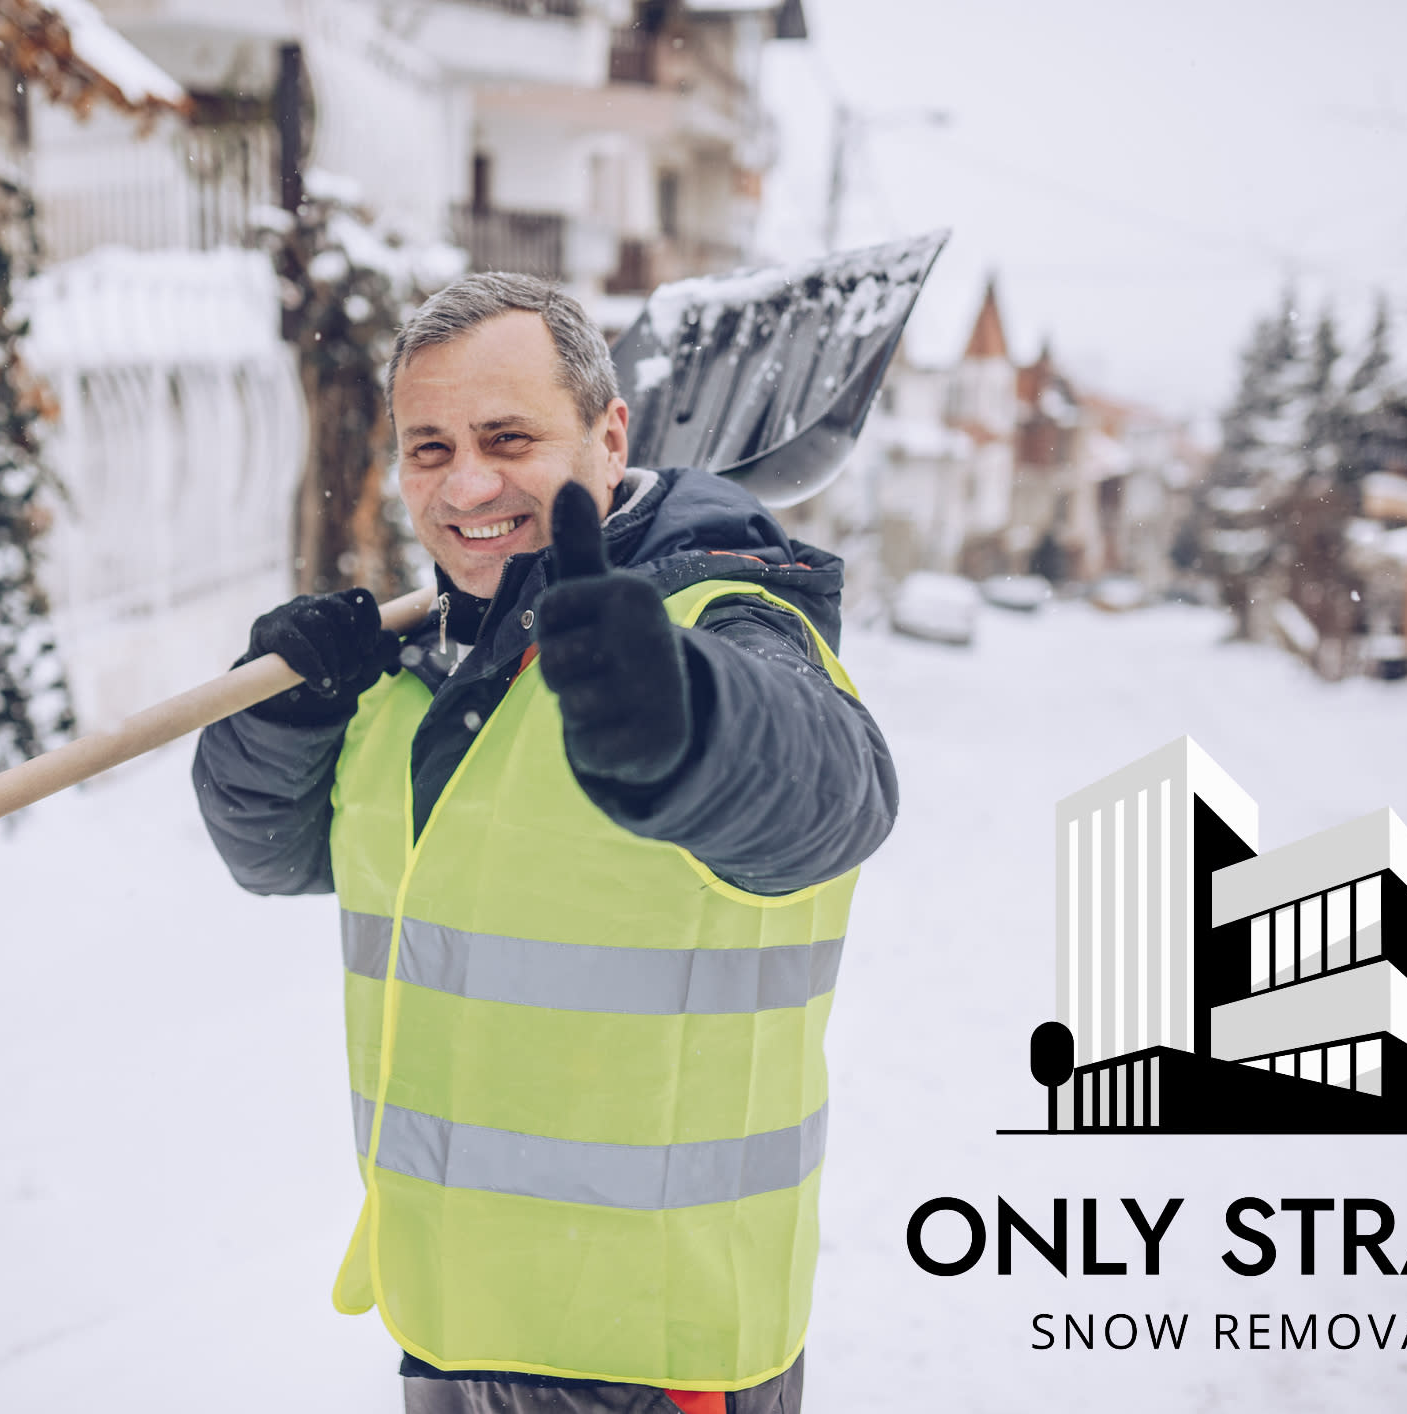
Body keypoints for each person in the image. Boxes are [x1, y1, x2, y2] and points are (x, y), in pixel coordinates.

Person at [192, 273, 897, 1414]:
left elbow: (833, 794)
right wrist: (276, 716)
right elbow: (272, 854)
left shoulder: (720, 619)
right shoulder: (422, 669)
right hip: (450, 1319)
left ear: (611, 435)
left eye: (508, 437)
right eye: (430, 448)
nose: (466, 482)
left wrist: (685, 722)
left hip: (654, 1354)